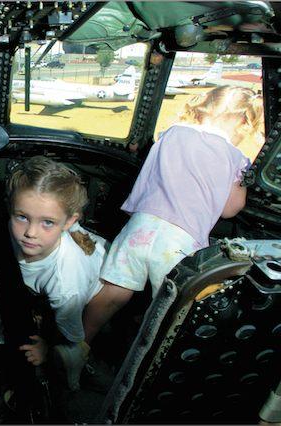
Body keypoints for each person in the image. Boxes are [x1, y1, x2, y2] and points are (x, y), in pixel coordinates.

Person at [84, 85, 262, 343]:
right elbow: (230, 209)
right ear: (244, 124)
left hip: (139, 229)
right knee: (170, 312)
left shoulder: (171, 134)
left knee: (112, 292)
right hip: (179, 244)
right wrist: (242, 177)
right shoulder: (236, 157)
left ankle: (78, 343)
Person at [7, 155, 108, 391]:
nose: (30, 232)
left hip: (94, 291)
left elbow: (73, 334)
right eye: (22, 217)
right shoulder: (36, 232)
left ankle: (80, 369)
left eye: (47, 223)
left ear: (68, 222)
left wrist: (47, 347)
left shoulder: (65, 285)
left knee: (70, 352)